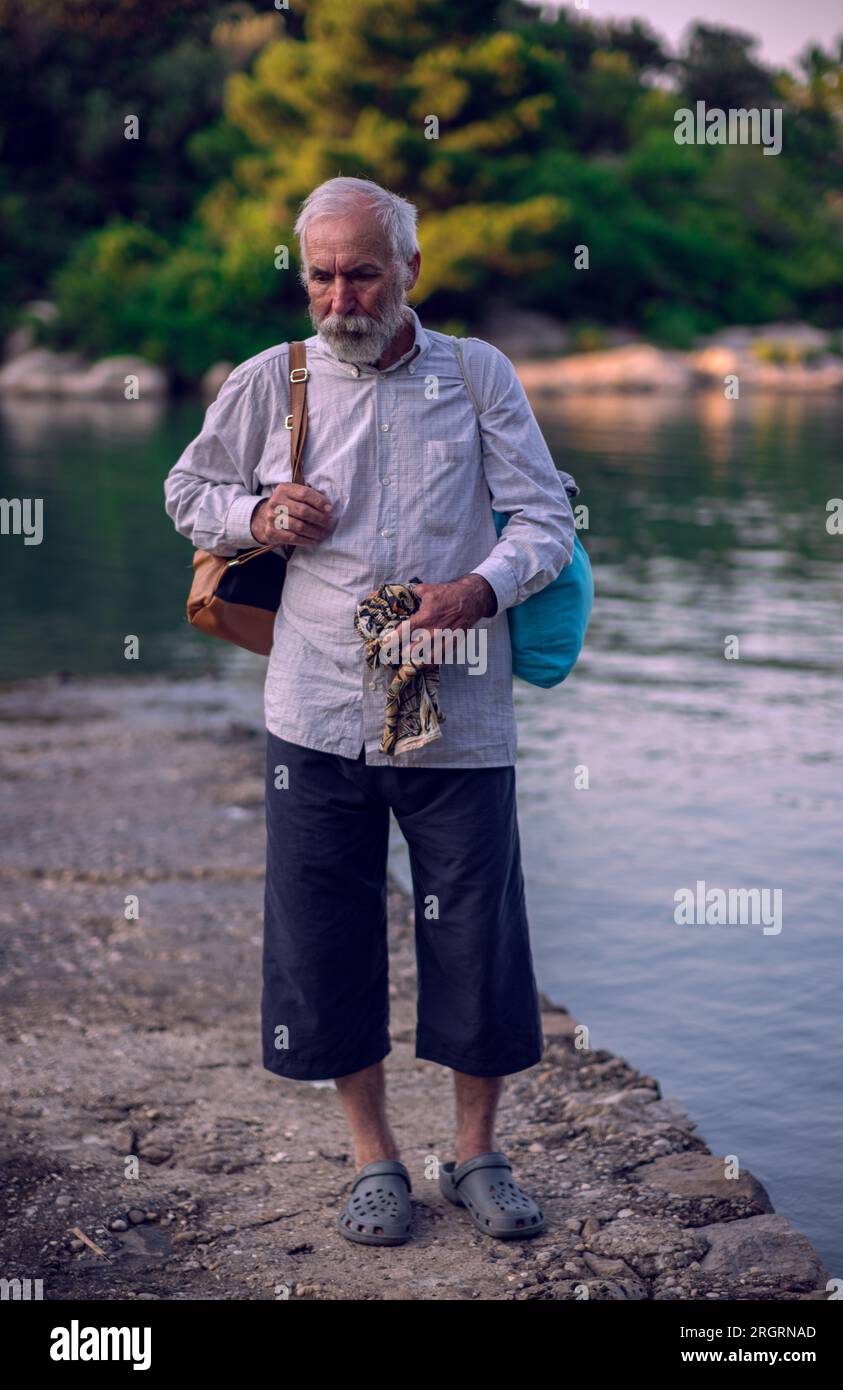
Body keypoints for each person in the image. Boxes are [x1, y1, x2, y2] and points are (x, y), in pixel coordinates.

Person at [164, 175, 575, 1246]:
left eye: (361, 273)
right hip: (313, 710)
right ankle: (372, 1157)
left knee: (478, 933)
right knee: (323, 934)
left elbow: (544, 520)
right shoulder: (273, 377)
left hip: (458, 708)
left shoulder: (478, 375)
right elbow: (185, 491)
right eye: (321, 276)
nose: (340, 297)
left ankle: (478, 1155)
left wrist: (477, 588)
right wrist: (256, 510)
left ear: (409, 273)